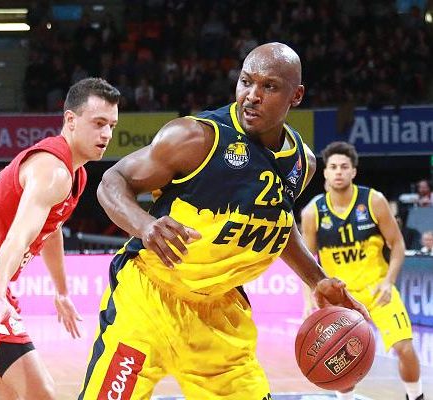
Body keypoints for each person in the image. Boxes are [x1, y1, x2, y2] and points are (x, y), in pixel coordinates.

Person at [78, 43, 369, 400]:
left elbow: (278, 222)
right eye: (246, 82)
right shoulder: (194, 137)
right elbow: (112, 181)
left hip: (220, 312)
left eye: (269, 86)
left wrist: (317, 279)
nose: (252, 95)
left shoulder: (301, 163)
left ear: (296, 96)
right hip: (147, 298)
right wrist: (144, 224)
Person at [0, 78, 120, 400]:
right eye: (98, 123)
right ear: (71, 120)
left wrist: (61, 291)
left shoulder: (74, 172)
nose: (106, 134)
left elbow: (51, 230)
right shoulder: (53, 171)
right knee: (41, 392)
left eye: (112, 126)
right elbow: (17, 239)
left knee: (15, 396)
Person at [301, 141, 424, 400]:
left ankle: (416, 396)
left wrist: (389, 282)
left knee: (404, 347)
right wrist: (308, 301)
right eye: (333, 167)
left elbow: (397, 244)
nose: (339, 171)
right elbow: (308, 262)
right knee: (339, 360)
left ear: (353, 171)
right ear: (325, 173)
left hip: (377, 291)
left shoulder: (373, 201)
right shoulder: (313, 212)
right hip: (340, 298)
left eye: (344, 167)